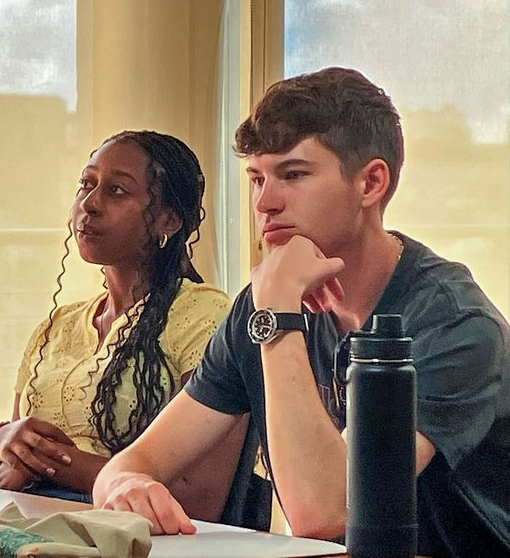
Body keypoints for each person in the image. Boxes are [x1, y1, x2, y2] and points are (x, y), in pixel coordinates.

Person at [93, 68, 510, 557]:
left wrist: (277, 318)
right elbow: (131, 463)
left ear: (371, 182)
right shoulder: (267, 301)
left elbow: (325, 510)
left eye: (293, 175)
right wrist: (124, 487)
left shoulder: (453, 321)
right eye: (256, 179)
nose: (265, 203)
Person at [0, 130, 244, 521]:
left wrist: (48, 462)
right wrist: (4, 440)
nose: (89, 203)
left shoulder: (203, 317)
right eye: (86, 184)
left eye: (117, 191)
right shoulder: (57, 326)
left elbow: (195, 497)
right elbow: (4, 471)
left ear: (167, 219)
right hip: (26, 532)